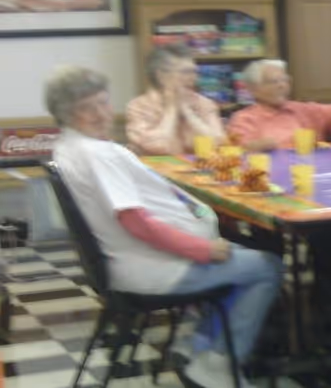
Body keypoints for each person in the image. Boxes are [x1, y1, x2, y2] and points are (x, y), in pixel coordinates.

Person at [46, 66, 281, 388]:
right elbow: (136, 223)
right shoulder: (98, 154)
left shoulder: (67, 147)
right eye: (89, 108)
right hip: (154, 269)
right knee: (267, 266)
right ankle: (217, 363)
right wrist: (203, 249)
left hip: (127, 263)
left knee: (243, 253)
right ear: (67, 114)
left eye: (103, 102)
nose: (103, 113)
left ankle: (195, 347)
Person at [227, 60, 331, 152]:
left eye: (285, 80)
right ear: (253, 89)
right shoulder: (243, 119)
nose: (282, 85)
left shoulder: (302, 109)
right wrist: (259, 146)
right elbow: (240, 149)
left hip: (312, 173)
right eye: (274, 81)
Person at [125, 44, 226, 155]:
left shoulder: (204, 104)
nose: (194, 78)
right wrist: (171, 109)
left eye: (195, 72)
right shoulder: (139, 106)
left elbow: (220, 143)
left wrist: (188, 113)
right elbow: (157, 147)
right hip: (156, 170)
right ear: (161, 76)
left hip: (202, 169)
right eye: (186, 72)